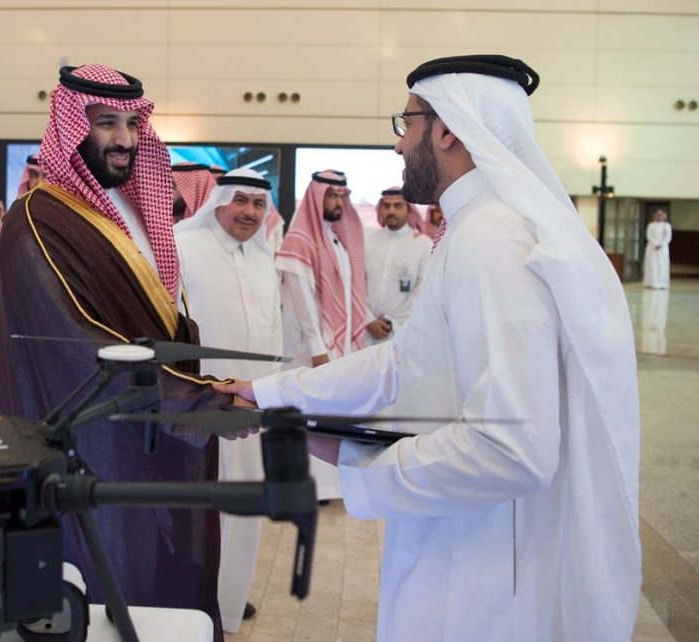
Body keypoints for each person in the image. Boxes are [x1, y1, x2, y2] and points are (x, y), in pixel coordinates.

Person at [217, 55, 641, 642]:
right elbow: (403, 359)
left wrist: (357, 462)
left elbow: (513, 449)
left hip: (483, 574)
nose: (398, 145)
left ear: (446, 131)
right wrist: (269, 394)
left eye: (406, 123)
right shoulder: (473, 228)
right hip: (459, 539)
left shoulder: (492, 240)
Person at [0, 64, 231, 638]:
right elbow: (77, 341)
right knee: (109, 567)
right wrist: (193, 400)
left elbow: (166, 313)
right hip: (93, 436)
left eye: (131, 123)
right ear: (72, 127)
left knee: (163, 568)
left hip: (153, 420)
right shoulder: (37, 219)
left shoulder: (134, 207)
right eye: (106, 122)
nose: (124, 138)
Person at [175, 169, 281, 634]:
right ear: (217, 201)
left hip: (250, 406)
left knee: (244, 507)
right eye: (240, 200)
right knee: (202, 509)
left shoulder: (261, 255)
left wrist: (271, 394)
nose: (249, 212)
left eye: (258, 204)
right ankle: (197, 602)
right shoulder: (183, 246)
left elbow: (273, 331)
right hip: (201, 405)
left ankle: (229, 597)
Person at [278, 170, 368, 369]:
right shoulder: (298, 241)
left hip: (338, 345)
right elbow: (303, 301)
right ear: (317, 198)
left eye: (342, 196)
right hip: (310, 352)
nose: (339, 202)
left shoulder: (337, 240)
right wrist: (318, 350)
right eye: (332, 196)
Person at [363, 188, 431, 344]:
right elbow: (357, 285)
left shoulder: (423, 244)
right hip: (366, 330)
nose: (391, 211)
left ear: (409, 210)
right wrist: (368, 319)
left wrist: (392, 321)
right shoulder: (368, 241)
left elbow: (423, 290)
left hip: (404, 332)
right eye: (386, 206)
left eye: (398, 206)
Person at [643, 209, 671, 289]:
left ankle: (662, 283)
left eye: (661, 215)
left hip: (663, 249)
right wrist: (655, 243)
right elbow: (648, 235)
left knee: (662, 265)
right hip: (652, 248)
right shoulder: (651, 225)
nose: (659, 217)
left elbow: (668, 237)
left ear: (664, 216)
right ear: (655, 216)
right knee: (652, 265)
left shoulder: (667, 226)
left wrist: (661, 244)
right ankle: (651, 283)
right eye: (657, 215)